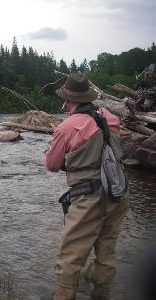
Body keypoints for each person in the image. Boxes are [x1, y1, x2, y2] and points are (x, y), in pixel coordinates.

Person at [44, 73, 128, 300]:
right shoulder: (110, 118)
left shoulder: (66, 127)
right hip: (118, 192)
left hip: (89, 198)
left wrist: (54, 146)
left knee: (69, 259)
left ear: (68, 100)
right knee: (106, 255)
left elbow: (52, 165)